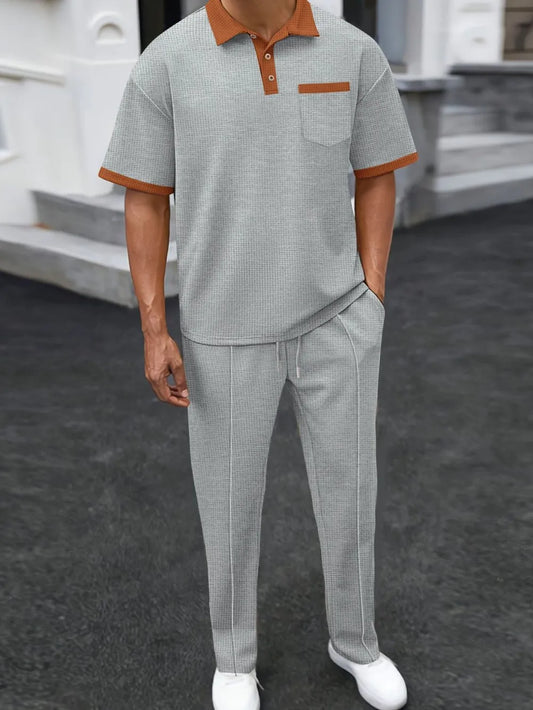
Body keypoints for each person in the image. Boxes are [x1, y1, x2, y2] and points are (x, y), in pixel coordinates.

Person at [97, 1, 418, 708]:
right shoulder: (166, 61)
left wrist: (372, 293)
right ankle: (234, 660)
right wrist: (155, 328)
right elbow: (145, 197)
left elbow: (377, 173)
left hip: (337, 317)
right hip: (222, 326)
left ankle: (355, 642)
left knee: (351, 490)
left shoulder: (354, 52)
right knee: (229, 503)